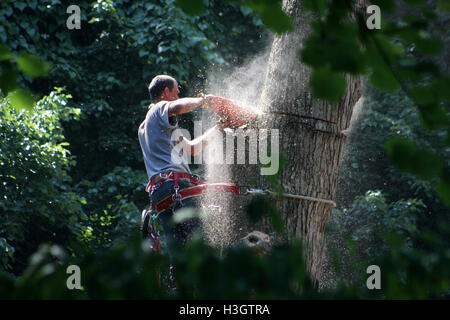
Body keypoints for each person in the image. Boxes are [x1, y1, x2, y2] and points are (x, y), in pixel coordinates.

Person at [138, 74, 225, 252]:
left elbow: (192, 148)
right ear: (166, 92)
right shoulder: (158, 109)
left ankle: (179, 279)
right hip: (175, 188)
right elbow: (176, 107)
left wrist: (218, 128)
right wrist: (204, 101)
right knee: (200, 242)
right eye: (176, 92)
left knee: (178, 253)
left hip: (161, 195)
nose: (178, 96)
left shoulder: (150, 127)